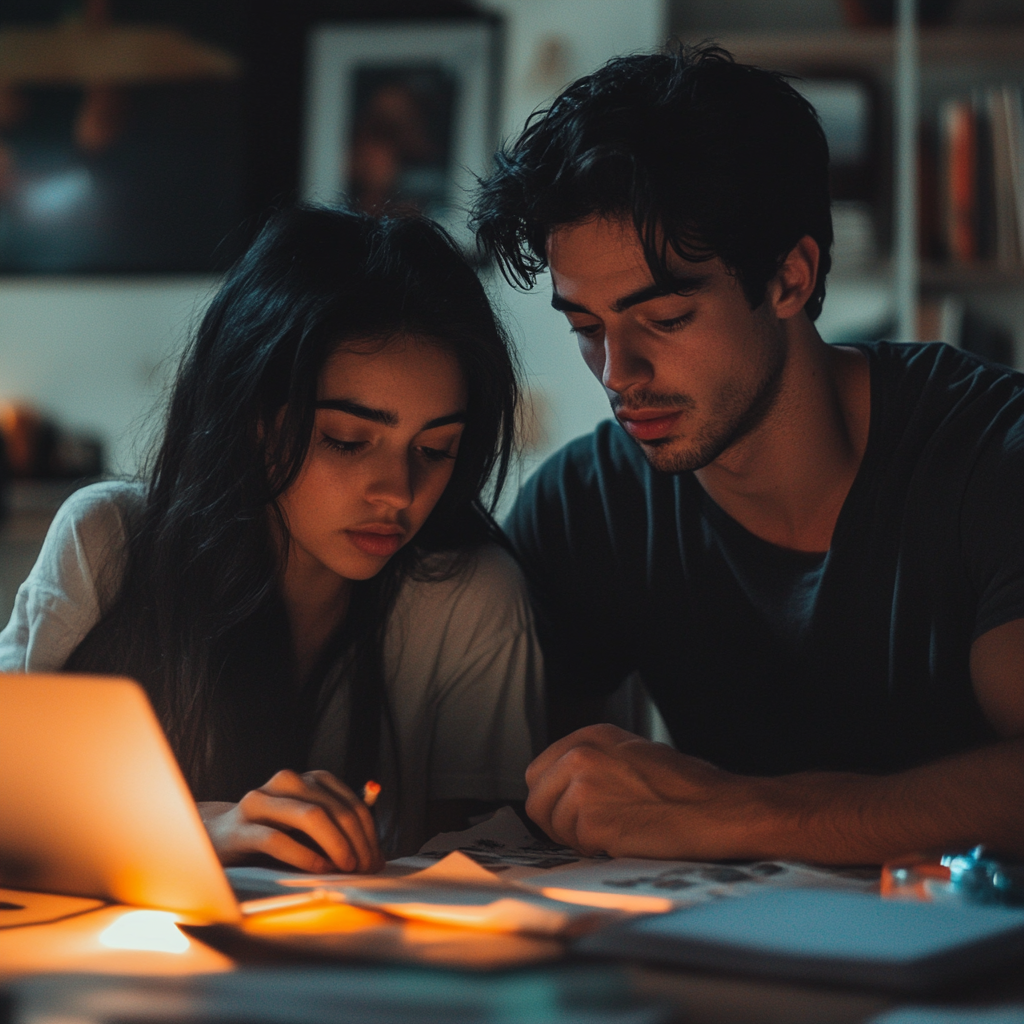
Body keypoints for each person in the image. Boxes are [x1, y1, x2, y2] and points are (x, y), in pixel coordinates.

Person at [472, 44, 1024, 863]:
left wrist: (740, 813)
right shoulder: (588, 506)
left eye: (663, 319)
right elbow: (506, 778)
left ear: (790, 279)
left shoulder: (993, 457)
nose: (618, 375)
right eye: (587, 329)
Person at [0, 204, 543, 869]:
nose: (397, 491)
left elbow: (476, 872)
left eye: (435, 450)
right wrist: (201, 830)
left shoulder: (469, 597)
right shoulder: (109, 540)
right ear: (253, 418)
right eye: (348, 442)